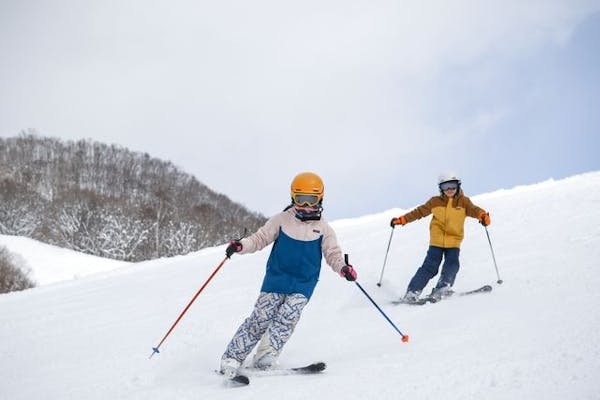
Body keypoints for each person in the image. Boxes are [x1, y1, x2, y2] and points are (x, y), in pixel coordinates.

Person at [219, 171, 358, 377]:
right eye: (300, 200)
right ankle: (233, 356)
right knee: (260, 318)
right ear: (293, 197)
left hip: (304, 284)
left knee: (288, 317)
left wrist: (343, 268)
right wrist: (241, 245)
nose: (306, 206)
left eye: (311, 200)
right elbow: (259, 238)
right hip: (276, 279)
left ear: (320, 198)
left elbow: (333, 254)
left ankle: (266, 355)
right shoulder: (282, 220)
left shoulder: (323, 229)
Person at [389, 172, 491, 302]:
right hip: (436, 241)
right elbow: (419, 212)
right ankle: (412, 292)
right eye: (445, 187)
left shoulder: (464, 202)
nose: (449, 190)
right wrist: (402, 219)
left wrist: (483, 215)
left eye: (452, 186)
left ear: (458, 186)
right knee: (429, 267)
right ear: (440, 188)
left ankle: (442, 288)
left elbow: (474, 209)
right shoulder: (435, 202)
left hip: (454, 241)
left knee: (452, 264)